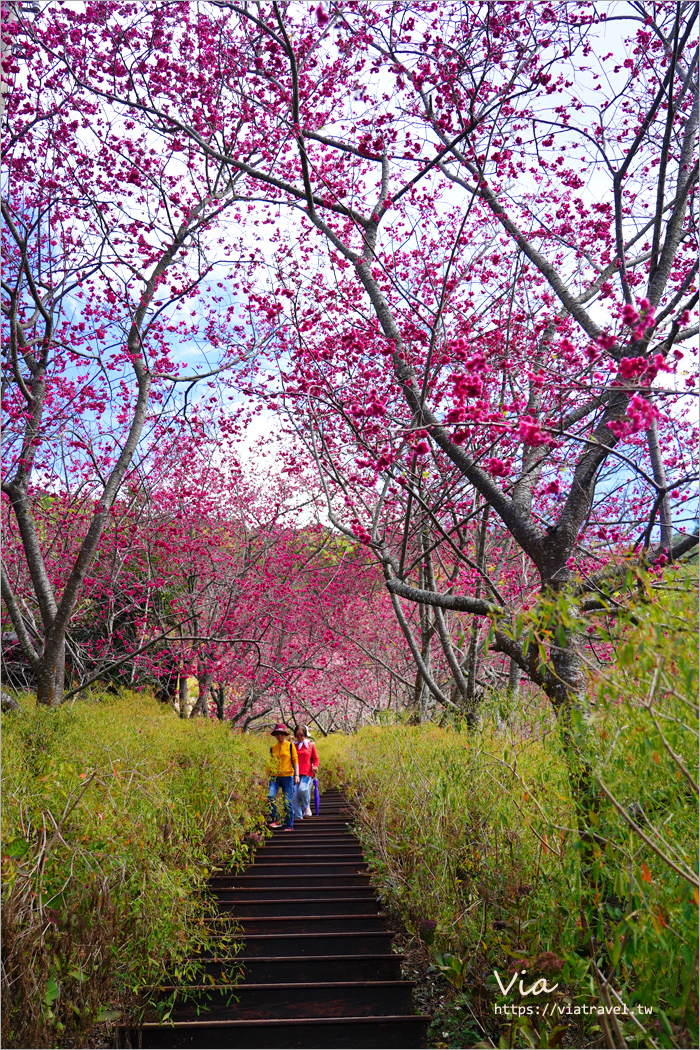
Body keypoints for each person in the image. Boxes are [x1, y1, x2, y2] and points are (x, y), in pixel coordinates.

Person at [267, 723, 299, 831]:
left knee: (287, 801)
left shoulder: (290, 746)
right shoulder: (273, 748)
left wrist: (297, 775)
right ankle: (275, 820)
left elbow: (295, 761)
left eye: (281, 733)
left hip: (287, 776)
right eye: (277, 733)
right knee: (270, 796)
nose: (279, 735)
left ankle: (290, 825)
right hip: (275, 777)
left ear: (285, 734)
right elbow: (270, 762)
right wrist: (267, 775)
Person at [292, 725, 319, 820]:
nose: (299, 737)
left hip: (307, 773)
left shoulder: (311, 745)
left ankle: (306, 807)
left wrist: (315, 766)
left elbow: (316, 758)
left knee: (302, 789)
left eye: (301, 735)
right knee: (294, 796)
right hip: (296, 774)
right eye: (297, 735)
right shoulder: (293, 745)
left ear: (305, 735)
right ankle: (299, 817)